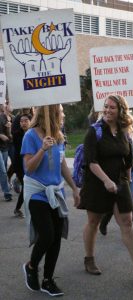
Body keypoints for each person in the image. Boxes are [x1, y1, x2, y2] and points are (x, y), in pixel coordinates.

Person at [79, 94, 133, 279]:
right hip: (97, 184)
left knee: (127, 222)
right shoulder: (94, 131)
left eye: (112, 107)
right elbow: (91, 161)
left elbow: (128, 160)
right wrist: (106, 181)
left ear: (121, 110)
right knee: (93, 222)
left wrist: (127, 181)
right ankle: (89, 259)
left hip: (119, 184)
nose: (107, 110)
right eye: (106, 106)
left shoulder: (124, 132)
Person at [21, 104, 80, 297]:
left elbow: (62, 163)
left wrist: (74, 188)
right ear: (52, 113)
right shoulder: (30, 135)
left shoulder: (59, 135)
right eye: (61, 112)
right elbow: (29, 167)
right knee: (46, 235)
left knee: (56, 238)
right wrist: (42, 149)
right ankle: (31, 266)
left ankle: (47, 280)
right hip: (37, 192)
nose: (63, 115)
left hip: (56, 192)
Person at [13, 113, 32, 217]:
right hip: (20, 164)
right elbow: (22, 150)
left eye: (26, 121)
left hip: (30, 163)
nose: (23, 123)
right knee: (26, 186)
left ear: (30, 121)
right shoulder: (17, 134)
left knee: (28, 186)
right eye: (21, 121)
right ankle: (17, 209)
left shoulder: (33, 133)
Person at [0, 103, 12, 201]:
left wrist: (9, 127)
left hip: (4, 147)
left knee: (3, 170)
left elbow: (9, 134)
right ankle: (7, 192)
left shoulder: (7, 117)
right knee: (3, 170)